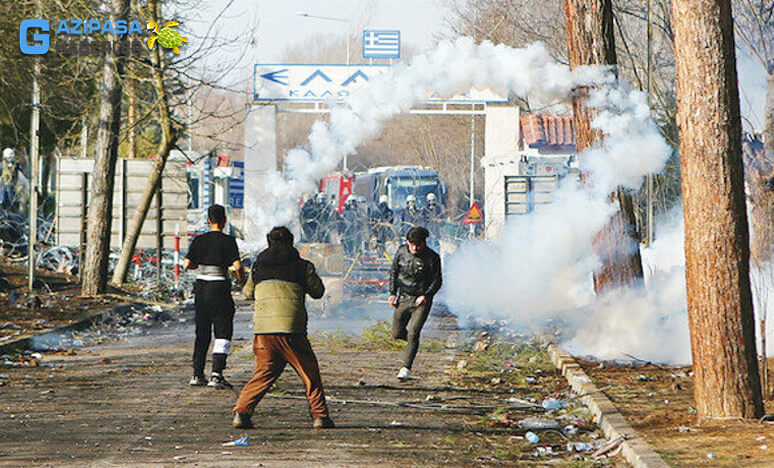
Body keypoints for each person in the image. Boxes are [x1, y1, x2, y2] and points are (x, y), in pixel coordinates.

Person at [233, 226, 334, 429]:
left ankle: (241, 413)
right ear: (291, 243)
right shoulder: (303, 266)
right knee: (309, 373)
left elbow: (247, 293)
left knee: (264, 373)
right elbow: (318, 292)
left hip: (263, 332)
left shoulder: (258, 266)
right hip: (292, 331)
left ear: (269, 243)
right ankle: (320, 416)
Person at [183, 204, 245, 389]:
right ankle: (217, 374)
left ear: (208, 220)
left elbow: (187, 264)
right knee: (222, 331)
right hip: (219, 288)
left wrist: (200, 267)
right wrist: (242, 282)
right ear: (224, 221)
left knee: (202, 333)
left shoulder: (199, 240)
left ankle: (197, 374)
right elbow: (239, 267)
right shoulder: (228, 241)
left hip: (201, 289)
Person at [388, 226, 442, 381]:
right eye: (412, 244)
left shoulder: (433, 258)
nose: (415, 248)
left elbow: (437, 281)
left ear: (424, 243)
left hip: (421, 301)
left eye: (418, 244)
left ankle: (406, 368)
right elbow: (394, 272)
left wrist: (426, 295)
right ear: (407, 242)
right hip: (404, 297)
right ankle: (413, 344)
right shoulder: (401, 252)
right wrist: (392, 293)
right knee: (397, 333)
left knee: (413, 331)